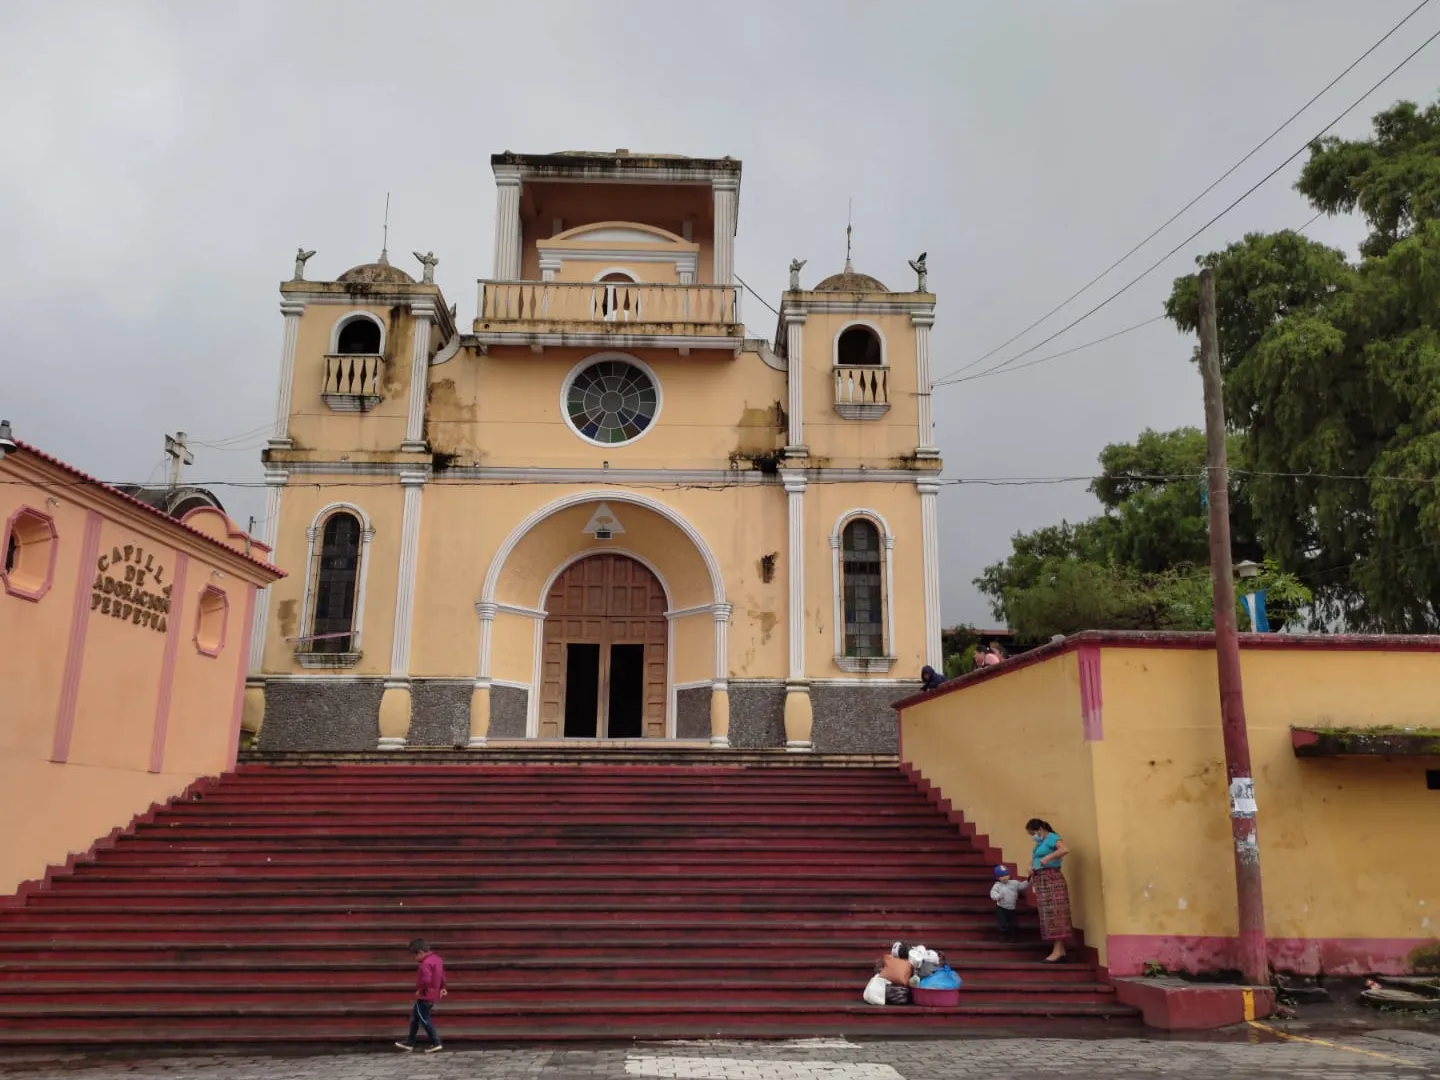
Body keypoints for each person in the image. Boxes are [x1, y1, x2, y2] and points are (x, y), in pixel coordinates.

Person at [1026, 818, 1072, 962]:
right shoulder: (1040, 843)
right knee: (1048, 914)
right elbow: (1034, 858)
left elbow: (1065, 849)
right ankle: (1060, 949)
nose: (1033, 836)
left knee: (1055, 913)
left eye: (1033, 832)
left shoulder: (1052, 837)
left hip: (1052, 879)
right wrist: (1030, 866)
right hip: (1042, 880)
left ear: (1040, 829)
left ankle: (1057, 950)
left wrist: (1048, 857)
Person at [395, 938, 447, 1052]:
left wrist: (420, 990)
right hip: (433, 994)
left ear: (420, 952)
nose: (415, 959)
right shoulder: (437, 960)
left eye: (414, 956)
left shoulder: (425, 964)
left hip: (425, 996)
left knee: (424, 1019)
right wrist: (442, 987)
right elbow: (442, 974)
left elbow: (426, 980)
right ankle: (410, 1041)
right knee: (415, 1018)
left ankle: (435, 1042)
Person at [989, 864, 1029, 940]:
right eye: (1002, 876)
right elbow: (993, 893)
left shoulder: (1014, 883)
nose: (1005, 877)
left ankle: (1013, 935)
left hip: (1011, 908)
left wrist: (1028, 881)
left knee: (1013, 923)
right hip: (1001, 907)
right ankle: (1002, 934)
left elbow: (1021, 886)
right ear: (998, 878)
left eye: (1006, 875)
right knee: (1002, 922)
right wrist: (998, 896)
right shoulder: (997, 886)